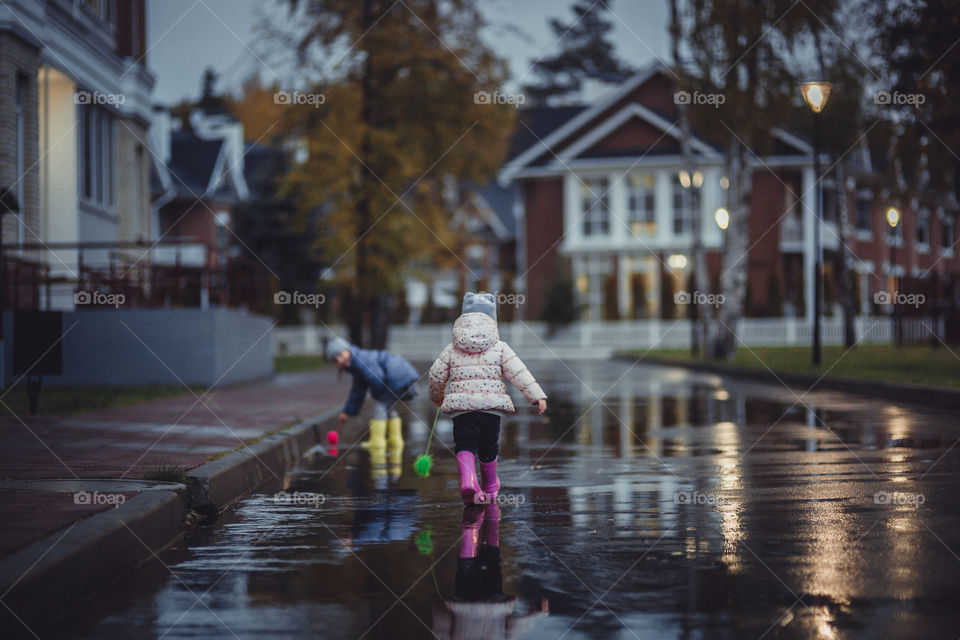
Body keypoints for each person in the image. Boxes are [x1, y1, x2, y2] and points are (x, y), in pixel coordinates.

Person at [428, 292, 547, 505]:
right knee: (488, 445)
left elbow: (436, 374)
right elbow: (518, 372)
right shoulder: (500, 347)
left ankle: (468, 479)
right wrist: (536, 396)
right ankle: (490, 486)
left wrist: (437, 397)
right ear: (493, 319)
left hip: (461, 410)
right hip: (491, 409)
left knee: (464, 443)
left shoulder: (452, 348)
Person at [432, 504, 549, 640]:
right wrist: (438, 605)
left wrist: (538, 613)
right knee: (465, 568)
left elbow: (515, 627)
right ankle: (469, 532)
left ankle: (492, 518)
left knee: (492, 557)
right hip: (463, 605)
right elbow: (441, 628)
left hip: (495, 606)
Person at [325, 336, 419, 469]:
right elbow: (358, 390)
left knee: (380, 407)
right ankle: (396, 440)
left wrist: (376, 395)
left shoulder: (361, 360)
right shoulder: (357, 362)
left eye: (340, 355)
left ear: (348, 350)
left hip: (397, 377)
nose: (340, 360)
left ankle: (377, 442)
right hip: (402, 376)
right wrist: (347, 412)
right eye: (335, 360)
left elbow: (377, 377)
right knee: (388, 407)